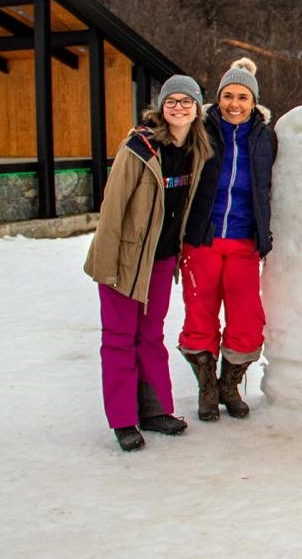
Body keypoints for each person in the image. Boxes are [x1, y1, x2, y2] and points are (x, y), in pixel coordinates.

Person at [84, 75, 211, 452]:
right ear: (161, 106)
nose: (178, 108)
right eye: (171, 101)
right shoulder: (139, 147)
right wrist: (106, 264)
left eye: (186, 102)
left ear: (196, 109)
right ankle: (123, 420)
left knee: (151, 337)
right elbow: (112, 208)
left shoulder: (196, 150)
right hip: (124, 258)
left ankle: (155, 411)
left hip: (162, 258)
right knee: (119, 339)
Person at [179, 58, 277, 422]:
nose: (235, 104)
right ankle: (207, 389)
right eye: (228, 95)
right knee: (200, 316)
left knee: (247, 320)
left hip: (244, 242)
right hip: (202, 239)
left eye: (243, 97)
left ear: (255, 103)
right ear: (218, 98)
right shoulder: (200, 130)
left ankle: (229, 385)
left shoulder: (265, 137)